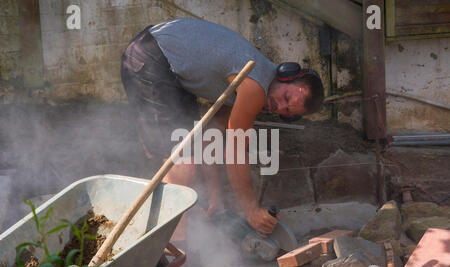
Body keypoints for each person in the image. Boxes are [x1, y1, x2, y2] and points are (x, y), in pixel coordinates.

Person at [120, 18, 324, 237]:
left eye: (287, 112)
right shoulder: (254, 86)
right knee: (181, 163)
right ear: (286, 74)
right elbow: (235, 153)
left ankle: (173, 238)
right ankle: (173, 251)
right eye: (286, 97)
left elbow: (212, 135)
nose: (279, 106)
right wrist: (252, 211)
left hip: (168, 68)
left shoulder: (244, 86)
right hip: (150, 57)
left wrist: (215, 195)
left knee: (189, 156)